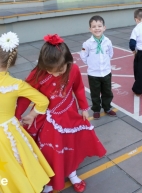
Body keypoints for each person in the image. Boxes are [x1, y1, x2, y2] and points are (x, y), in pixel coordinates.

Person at [15, 34, 107, 193]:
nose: (56, 74)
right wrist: (15, 116)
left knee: (69, 143)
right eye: (51, 71)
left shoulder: (74, 69)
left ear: (68, 61)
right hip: (45, 118)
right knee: (49, 150)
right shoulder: (37, 74)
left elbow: (78, 88)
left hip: (68, 114)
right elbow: (24, 97)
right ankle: (50, 179)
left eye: (60, 70)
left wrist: (84, 107)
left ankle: (71, 172)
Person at [0, 31, 54, 193]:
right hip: (8, 131)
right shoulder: (16, 84)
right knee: (20, 161)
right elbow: (43, 101)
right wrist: (31, 115)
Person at [80, 15, 117, 119]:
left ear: (104, 28)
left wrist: (105, 64)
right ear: (90, 29)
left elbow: (110, 53)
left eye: (99, 26)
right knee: (95, 93)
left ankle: (107, 107)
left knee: (107, 92)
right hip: (93, 74)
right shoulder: (87, 43)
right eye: (94, 26)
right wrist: (91, 63)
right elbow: (83, 55)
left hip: (106, 72)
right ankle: (96, 109)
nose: (97, 28)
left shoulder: (107, 41)